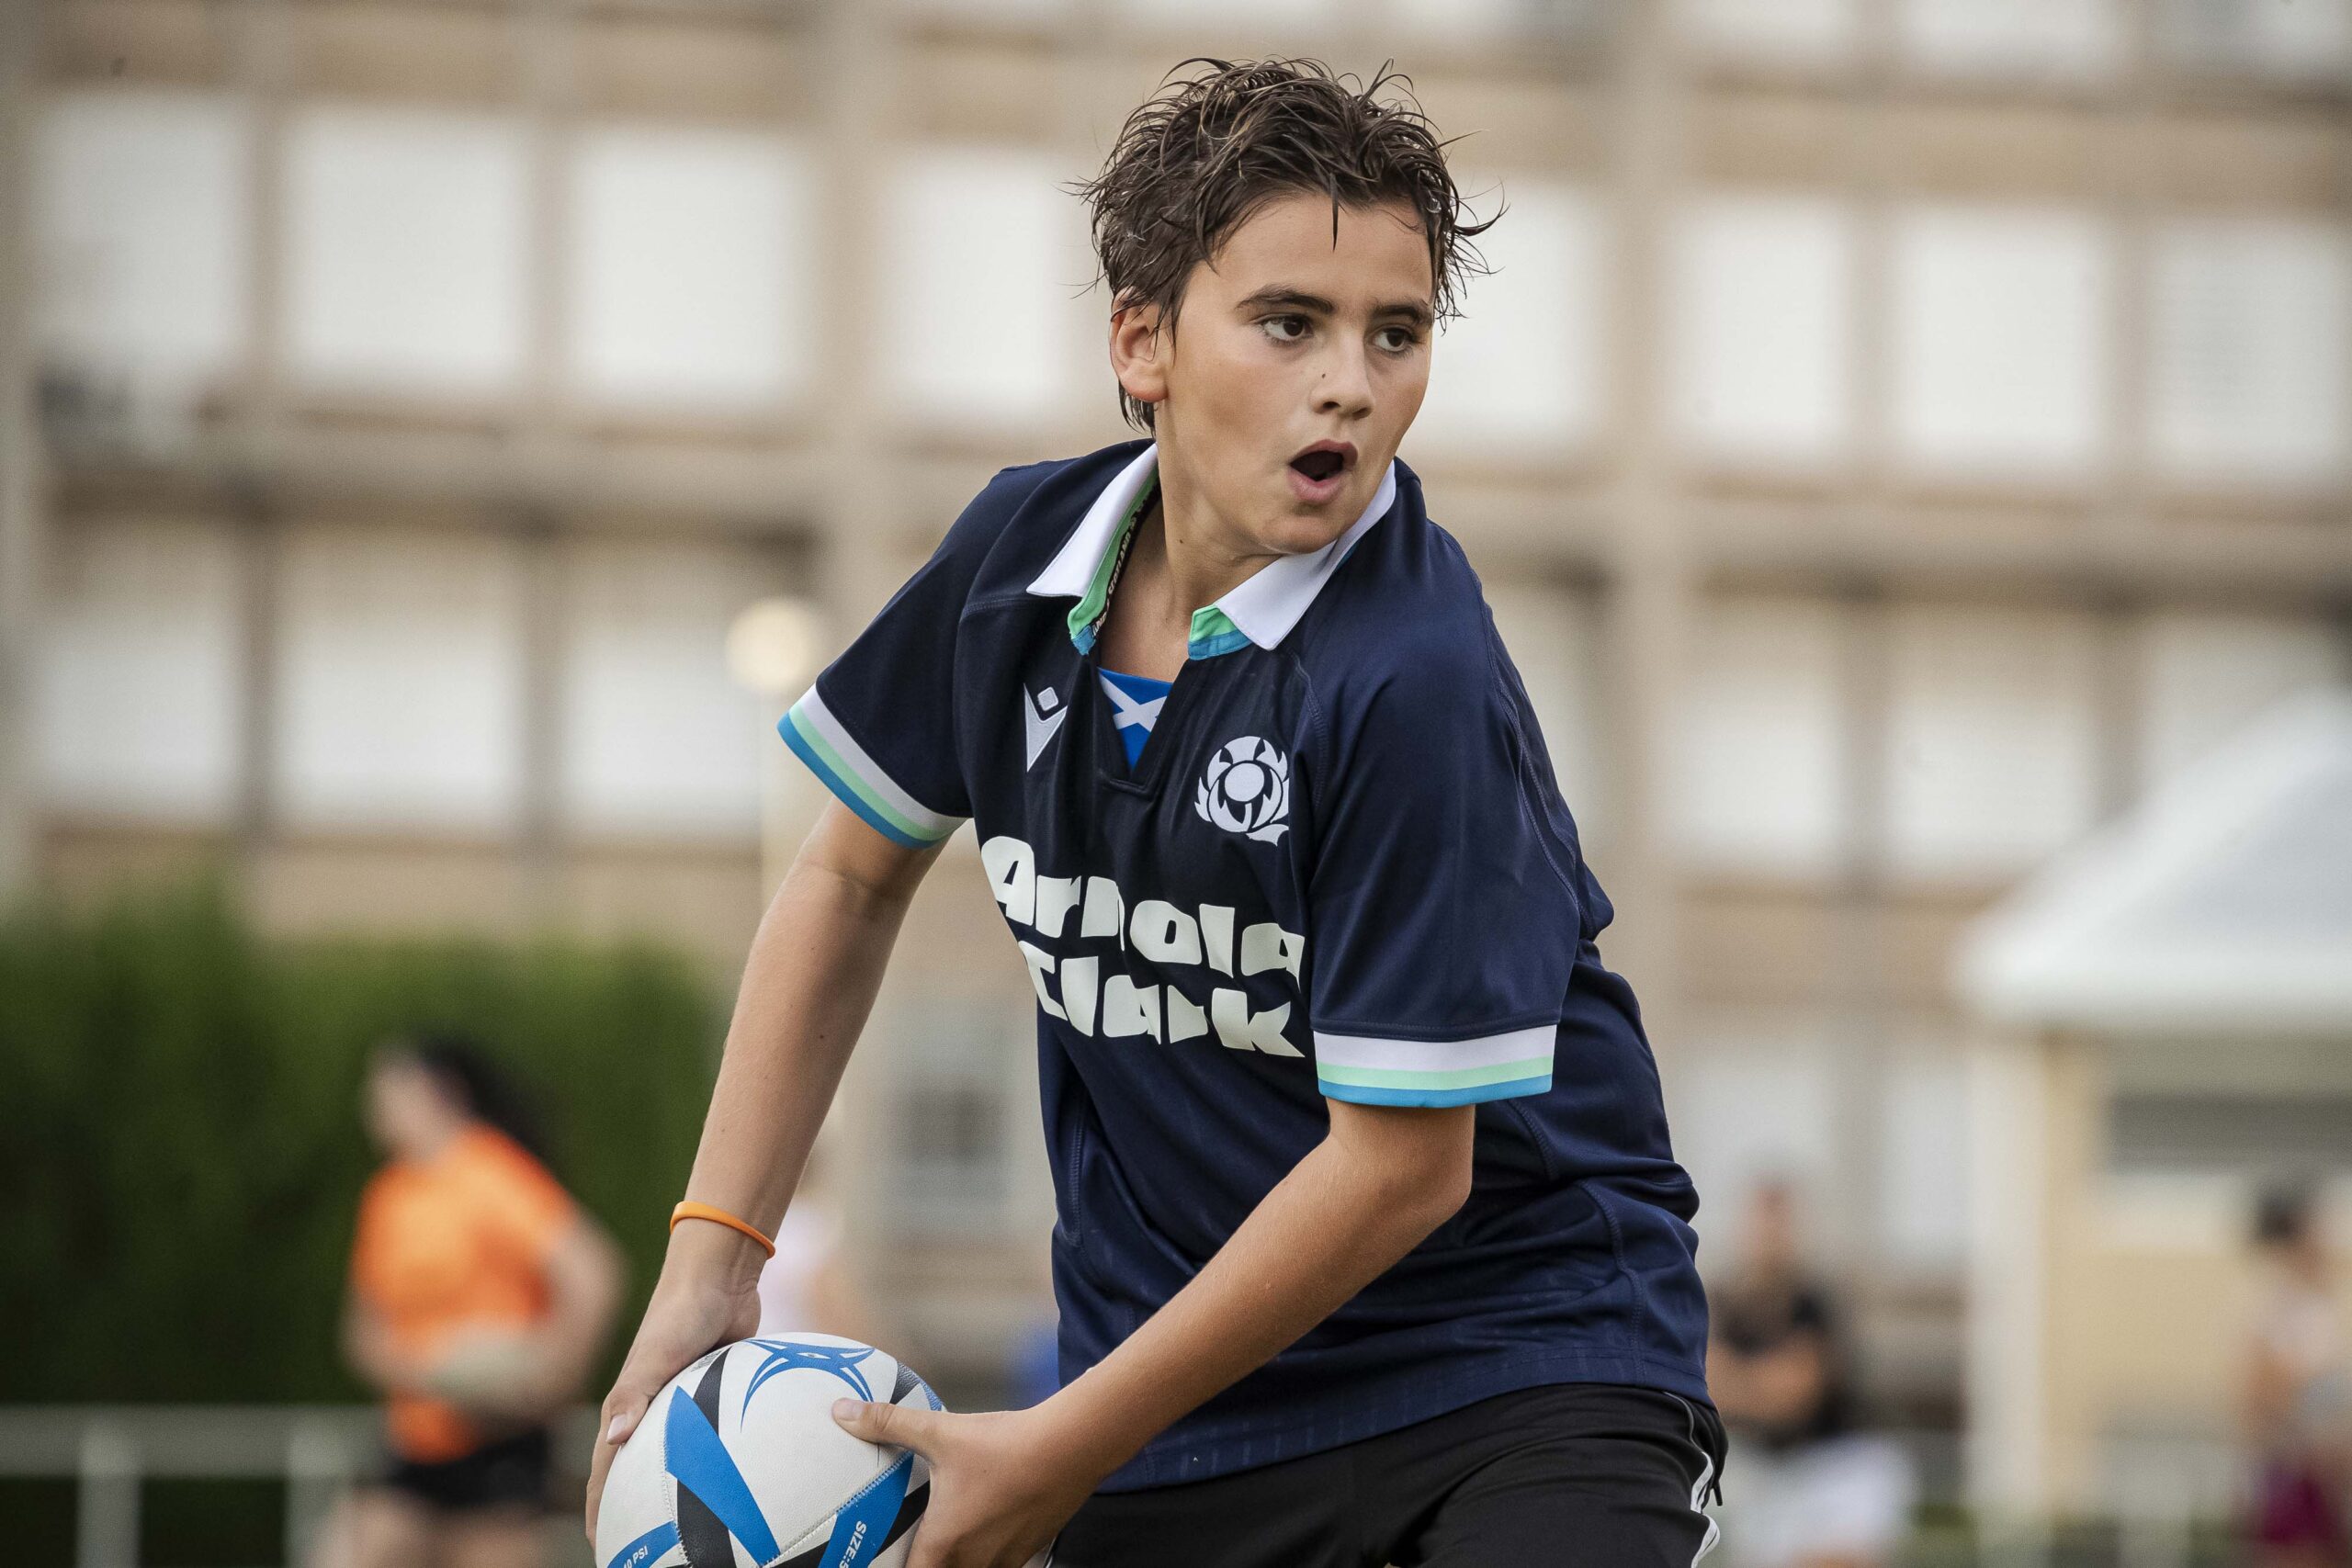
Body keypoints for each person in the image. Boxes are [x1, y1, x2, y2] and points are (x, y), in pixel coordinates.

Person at [587, 58, 1721, 1568]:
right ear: (1144, 341)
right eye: (1289, 322)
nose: (1352, 382)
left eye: (1397, 333)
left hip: (1521, 1365)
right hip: (1185, 1409)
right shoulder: (1014, 558)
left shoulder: (1415, 677)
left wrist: (1055, 1443)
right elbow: (850, 879)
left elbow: (1403, 1167)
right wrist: (714, 1265)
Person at [316, 1033, 624, 1568]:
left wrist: (553, 1379)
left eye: (390, 1084)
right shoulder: (388, 1195)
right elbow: (361, 1333)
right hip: (418, 1442)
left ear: (440, 1091)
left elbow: (593, 1272)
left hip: (501, 1444)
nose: (373, 1101)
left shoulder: (490, 1174)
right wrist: (432, 1373)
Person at [1707, 1180, 1911, 1568]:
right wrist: (1762, 1382)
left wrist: (1742, 1381)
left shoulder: (1815, 1300)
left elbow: (1796, 1393)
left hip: (1838, 1465)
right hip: (1766, 1475)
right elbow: (1711, 1389)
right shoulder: (1723, 1302)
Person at [2243, 1182, 2350, 1568]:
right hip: (2294, 1473)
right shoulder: (2272, 1306)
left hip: (2327, 1478)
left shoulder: (2320, 1307)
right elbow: (2258, 1397)